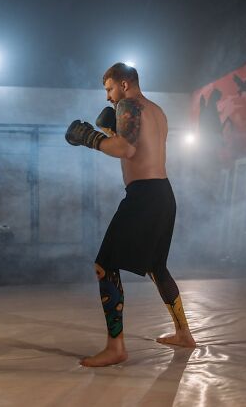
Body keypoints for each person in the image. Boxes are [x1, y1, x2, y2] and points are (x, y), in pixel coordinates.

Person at [65, 62, 196, 368]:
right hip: (164, 194)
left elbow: (125, 149)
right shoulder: (157, 110)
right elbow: (139, 148)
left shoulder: (129, 104)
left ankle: (116, 347)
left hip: (145, 197)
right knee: (157, 267)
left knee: (104, 265)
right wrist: (111, 131)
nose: (109, 97)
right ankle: (184, 333)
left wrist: (89, 137)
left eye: (109, 88)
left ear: (124, 84)